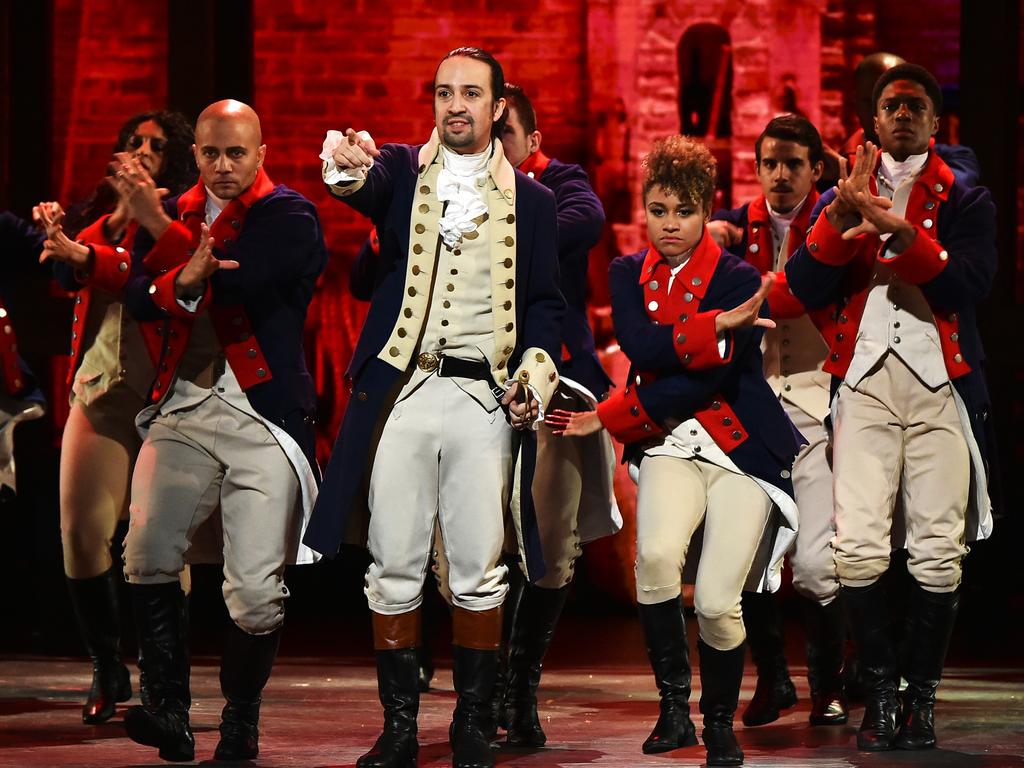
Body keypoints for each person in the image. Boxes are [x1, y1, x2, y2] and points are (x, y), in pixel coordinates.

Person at [304, 47, 563, 768]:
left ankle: (473, 725)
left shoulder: (534, 205)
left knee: (479, 565)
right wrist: (349, 162)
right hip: (407, 391)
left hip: (481, 396)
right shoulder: (400, 172)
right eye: (445, 93)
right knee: (393, 561)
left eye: (471, 94)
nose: (456, 106)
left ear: (497, 105)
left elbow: (545, 306)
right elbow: (356, 182)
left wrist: (533, 377)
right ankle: (399, 729)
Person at [549, 136, 802, 767]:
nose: (669, 225)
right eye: (658, 210)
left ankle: (719, 720)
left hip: (740, 447)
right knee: (656, 559)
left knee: (718, 598)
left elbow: (705, 378)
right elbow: (642, 346)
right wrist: (714, 326)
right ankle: (674, 711)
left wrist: (607, 416)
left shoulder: (740, 277)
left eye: (683, 212)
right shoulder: (625, 272)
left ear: (704, 210)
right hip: (668, 442)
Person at [786, 63, 996, 751]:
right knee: (857, 549)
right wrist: (841, 219)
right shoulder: (844, 192)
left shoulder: (965, 197)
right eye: (890, 106)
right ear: (873, 121)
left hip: (939, 385)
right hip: (868, 383)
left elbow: (970, 282)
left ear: (936, 123)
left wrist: (902, 235)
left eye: (915, 106)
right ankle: (880, 692)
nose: (902, 114)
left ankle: (922, 702)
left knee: (938, 551)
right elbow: (799, 287)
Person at [114, 100, 326, 762]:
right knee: (144, 550)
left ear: (260, 153)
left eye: (237, 153)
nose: (223, 166)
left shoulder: (288, 216)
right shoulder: (176, 210)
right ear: (197, 154)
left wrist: (163, 242)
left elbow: (237, 286)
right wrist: (173, 274)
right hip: (185, 406)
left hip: (263, 416)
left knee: (257, 591)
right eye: (211, 153)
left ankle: (240, 719)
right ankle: (168, 709)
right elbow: (136, 294)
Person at [32, 111, 196, 725]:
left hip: (167, 396)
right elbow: (58, 272)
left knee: (159, 543)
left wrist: (104, 237)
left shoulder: (182, 214)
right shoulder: (99, 219)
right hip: (100, 389)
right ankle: (107, 665)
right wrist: (84, 231)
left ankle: (165, 679)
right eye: (134, 142)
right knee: (79, 530)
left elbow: (157, 278)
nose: (141, 151)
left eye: (156, 145)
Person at [709, 115, 848, 727]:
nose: (781, 175)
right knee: (753, 556)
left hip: (820, 406)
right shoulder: (735, 227)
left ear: (816, 169)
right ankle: (773, 678)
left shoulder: (838, 220)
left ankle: (829, 682)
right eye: (770, 163)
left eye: (794, 163)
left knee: (817, 563)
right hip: (759, 407)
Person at [490, 81, 618, 748]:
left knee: (551, 545)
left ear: (533, 143)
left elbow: (585, 224)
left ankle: (522, 684)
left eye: (504, 134)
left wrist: (493, 217)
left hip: (556, 386)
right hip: (473, 387)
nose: (491, 147)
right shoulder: (444, 186)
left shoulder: (561, 184)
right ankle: (483, 684)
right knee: (468, 550)